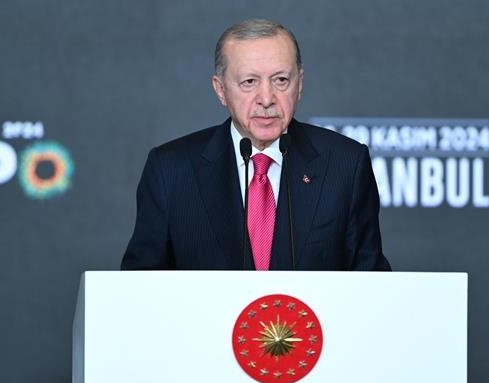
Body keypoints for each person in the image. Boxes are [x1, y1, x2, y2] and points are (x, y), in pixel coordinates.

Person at [121, 19, 391, 271]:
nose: (266, 98)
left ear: (299, 85)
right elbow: (139, 287)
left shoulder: (345, 165)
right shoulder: (171, 170)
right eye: (249, 82)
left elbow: (372, 286)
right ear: (220, 89)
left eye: (281, 80)